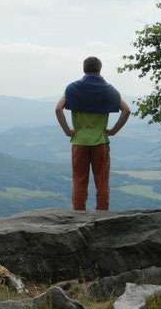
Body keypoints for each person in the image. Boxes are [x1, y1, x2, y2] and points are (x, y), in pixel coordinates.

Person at [55, 56, 130, 211]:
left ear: (84, 69)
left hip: (79, 142)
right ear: (99, 69)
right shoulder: (109, 89)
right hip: (100, 142)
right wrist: (114, 131)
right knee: (102, 182)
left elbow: (58, 109)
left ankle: (78, 215)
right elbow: (127, 110)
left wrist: (67, 130)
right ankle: (102, 216)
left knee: (79, 181)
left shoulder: (71, 88)